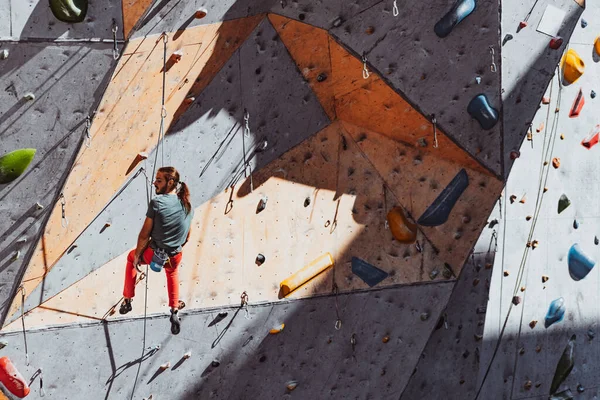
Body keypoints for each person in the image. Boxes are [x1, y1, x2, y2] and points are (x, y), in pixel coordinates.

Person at [120, 166, 193, 335]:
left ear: (171, 182)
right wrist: (171, 249)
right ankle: (174, 309)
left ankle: (127, 299)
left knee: (131, 259)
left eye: (159, 180)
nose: (154, 183)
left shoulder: (157, 203)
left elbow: (144, 235)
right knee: (172, 273)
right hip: (175, 255)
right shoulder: (187, 205)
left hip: (154, 254)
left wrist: (138, 255)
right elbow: (187, 237)